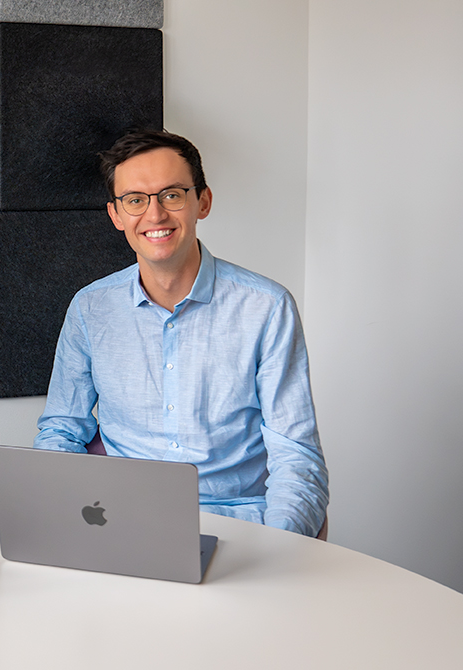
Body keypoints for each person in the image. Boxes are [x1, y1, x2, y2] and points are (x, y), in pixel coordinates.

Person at [34, 130, 328, 536]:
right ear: (116, 215)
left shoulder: (266, 307)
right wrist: (53, 515)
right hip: (122, 522)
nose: (154, 215)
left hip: (237, 525)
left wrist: (280, 548)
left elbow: (295, 455)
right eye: (135, 200)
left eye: (171, 195)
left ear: (202, 202)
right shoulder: (90, 308)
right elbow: (62, 430)